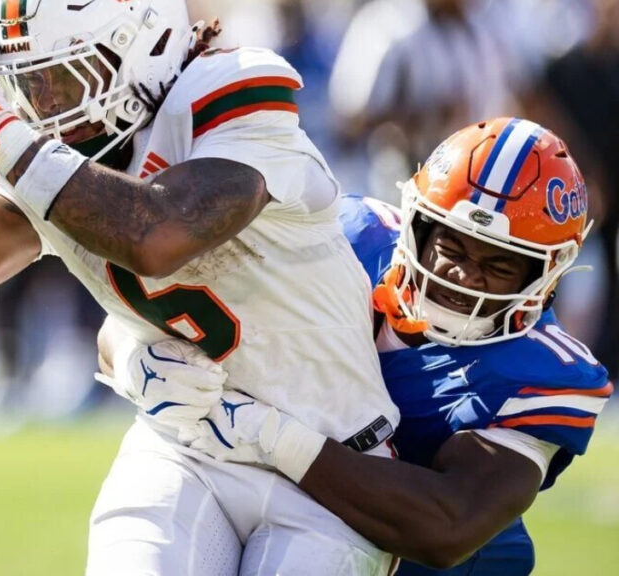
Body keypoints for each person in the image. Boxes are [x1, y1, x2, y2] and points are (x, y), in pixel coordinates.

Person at [0, 0, 399, 573]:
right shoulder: (32, 154)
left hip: (331, 461)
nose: (44, 107)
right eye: (29, 85)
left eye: (62, 79)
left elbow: (158, 234)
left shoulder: (233, 88)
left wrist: (1, 134)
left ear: (141, 46)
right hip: (187, 451)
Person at [102, 118, 611, 575]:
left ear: (545, 275)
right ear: (419, 223)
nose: (464, 274)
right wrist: (132, 358)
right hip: (258, 502)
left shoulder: (546, 374)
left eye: (499, 264)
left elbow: (445, 526)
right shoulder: (347, 240)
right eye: (451, 244)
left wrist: (273, 435)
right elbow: (143, 308)